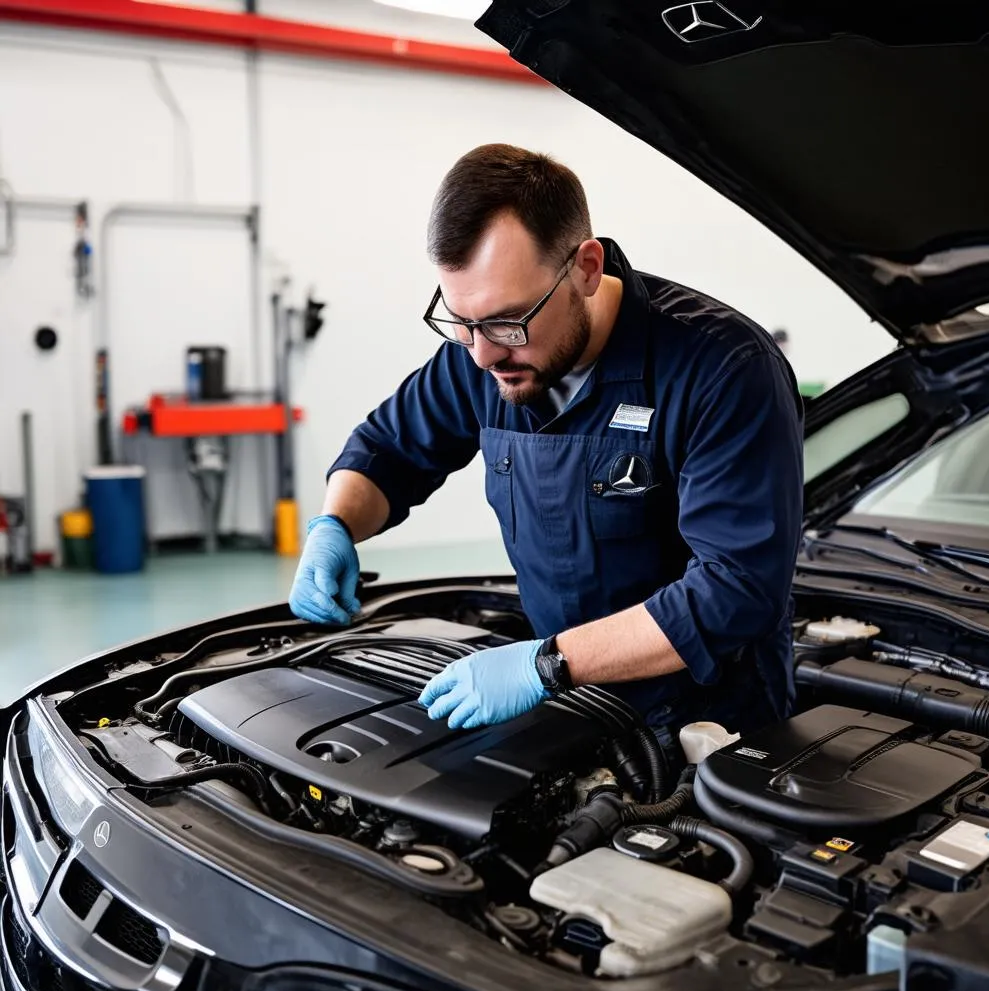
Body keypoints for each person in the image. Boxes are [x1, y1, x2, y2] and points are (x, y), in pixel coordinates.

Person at [289, 143, 803, 748]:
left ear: (586, 268)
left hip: (709, 723)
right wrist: (334, 525)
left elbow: (735, 589)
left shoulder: (723, 369)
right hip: (570, 701)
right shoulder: (484, 355)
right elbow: (387, 450)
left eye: (508, 322)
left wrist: (547, 665)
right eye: (460, 321)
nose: (482, 354)